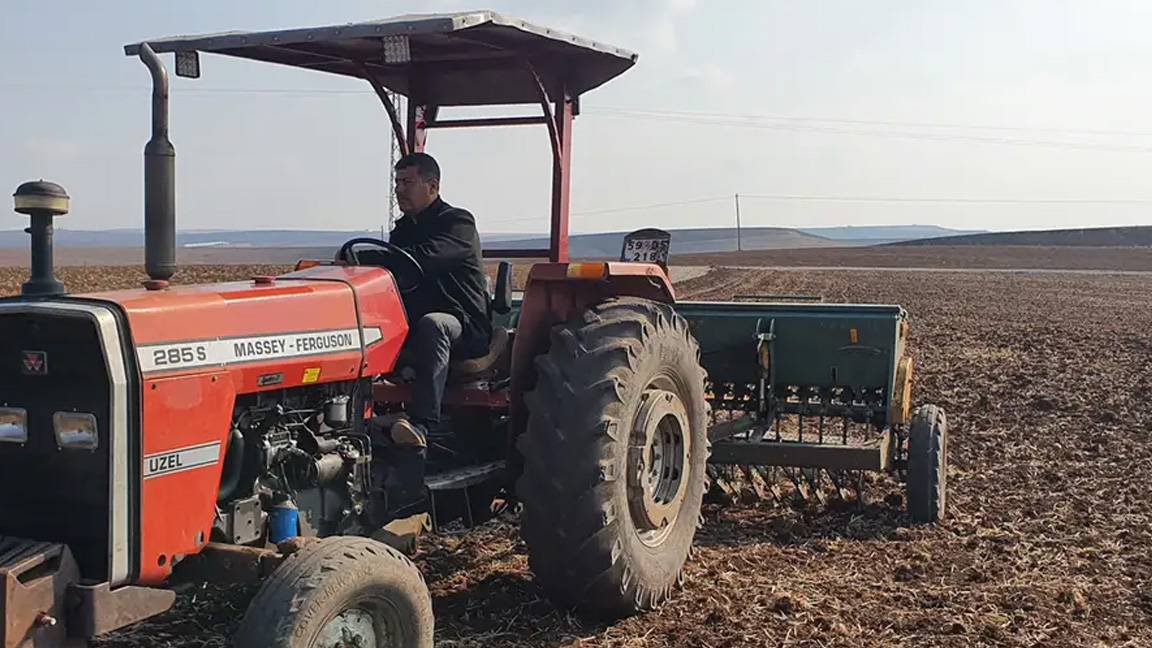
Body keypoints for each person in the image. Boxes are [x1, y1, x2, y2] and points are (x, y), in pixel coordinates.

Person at [372, 151, 491, 519]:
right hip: (414, 325)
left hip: (463, 326)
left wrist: (377, 259)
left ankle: (422, 424)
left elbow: (423, 259)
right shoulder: (403, 229)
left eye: (407, 182)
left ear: (432, 186)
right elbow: (394, 264)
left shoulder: (457, 223)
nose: (399, 190)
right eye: (397, 182)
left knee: (434, 324)